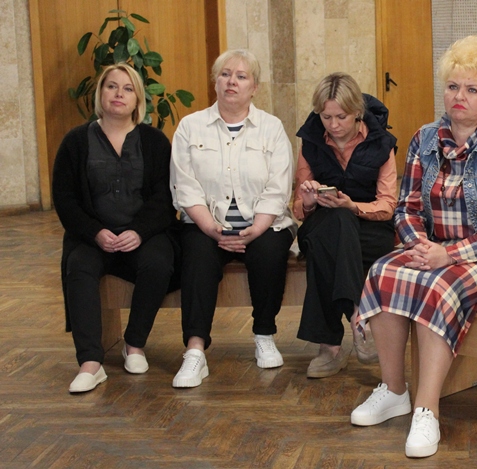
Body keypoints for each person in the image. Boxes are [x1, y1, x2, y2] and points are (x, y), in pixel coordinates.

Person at [348, 35, 477, 458]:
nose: (459, 97)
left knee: (438, 286)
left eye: (472, 89)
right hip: (432, 247)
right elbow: (407, 207)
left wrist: (448, 254)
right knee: (384, 271)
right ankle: (394, 390)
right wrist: (418, 245)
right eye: (453, 86)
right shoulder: (424, 137)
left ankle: (426, 409)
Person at [170, 49, 295, 388]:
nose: (232, 82)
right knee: (197, 255)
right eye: (225, 74)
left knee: (269, 251)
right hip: (205, 224)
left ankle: (264, 334)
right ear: (215, 81)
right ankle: (195, 350)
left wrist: (256, 228)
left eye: (241, 76)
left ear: (254, 87)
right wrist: (212, 229)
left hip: (264, 224)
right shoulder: (190, 127)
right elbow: (185, 186)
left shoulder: (271, 128)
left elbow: (278, 186)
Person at [53, 63, 176, 393]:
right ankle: (90, 363)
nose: (119, 94)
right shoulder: (76, 141)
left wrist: (139, 231)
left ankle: (134, 345)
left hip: (143, 235)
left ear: (138, 100)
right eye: (111, 86)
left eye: (127, 88)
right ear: (100, 93)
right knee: (78, 266)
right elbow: (64, 199)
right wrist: (95, 232)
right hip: (93, 237)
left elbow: (165, 197)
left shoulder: (154, 141)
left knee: (159, 262)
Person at [293, 73, 397, 378]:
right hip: (322, 222)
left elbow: (387, 205)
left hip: (370, 228)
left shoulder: (382, 143)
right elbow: (299, 207)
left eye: (341, 117)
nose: (334, 125)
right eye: (326, 117)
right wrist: (309, 200)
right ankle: (358, 317)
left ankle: (329, 346)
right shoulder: (310, 141)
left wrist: (353, 206)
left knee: (327, 245)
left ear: (357, 113)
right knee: (334, 226)